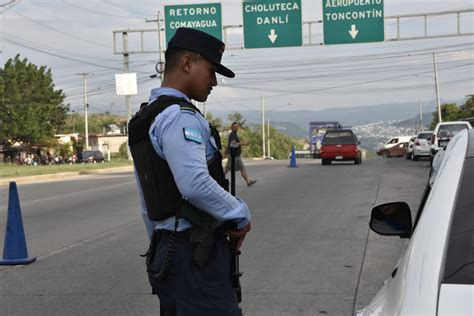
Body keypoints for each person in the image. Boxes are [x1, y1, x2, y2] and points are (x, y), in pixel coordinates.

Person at [128, 27, 251, 316]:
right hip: (195, 255)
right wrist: (240, 213)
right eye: (211, 71)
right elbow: (194, 184)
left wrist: (162, 242)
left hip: (167, 250)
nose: (214, 82)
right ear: (187, 63)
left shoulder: (146, 118)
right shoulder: (180, 117)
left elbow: (149, 201)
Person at [223, 122, 257, 187]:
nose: (236, 128)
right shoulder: (232, 135)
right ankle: (219, 180)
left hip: (236, 155)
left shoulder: (234, 134)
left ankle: (248, 181)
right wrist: (243, 143)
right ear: (232, 127)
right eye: (235, 127)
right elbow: (233, 144)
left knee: (242, 168)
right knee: (227, 168)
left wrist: (225, 152)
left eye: (237, 126)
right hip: (233, 156)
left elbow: (228, 145)